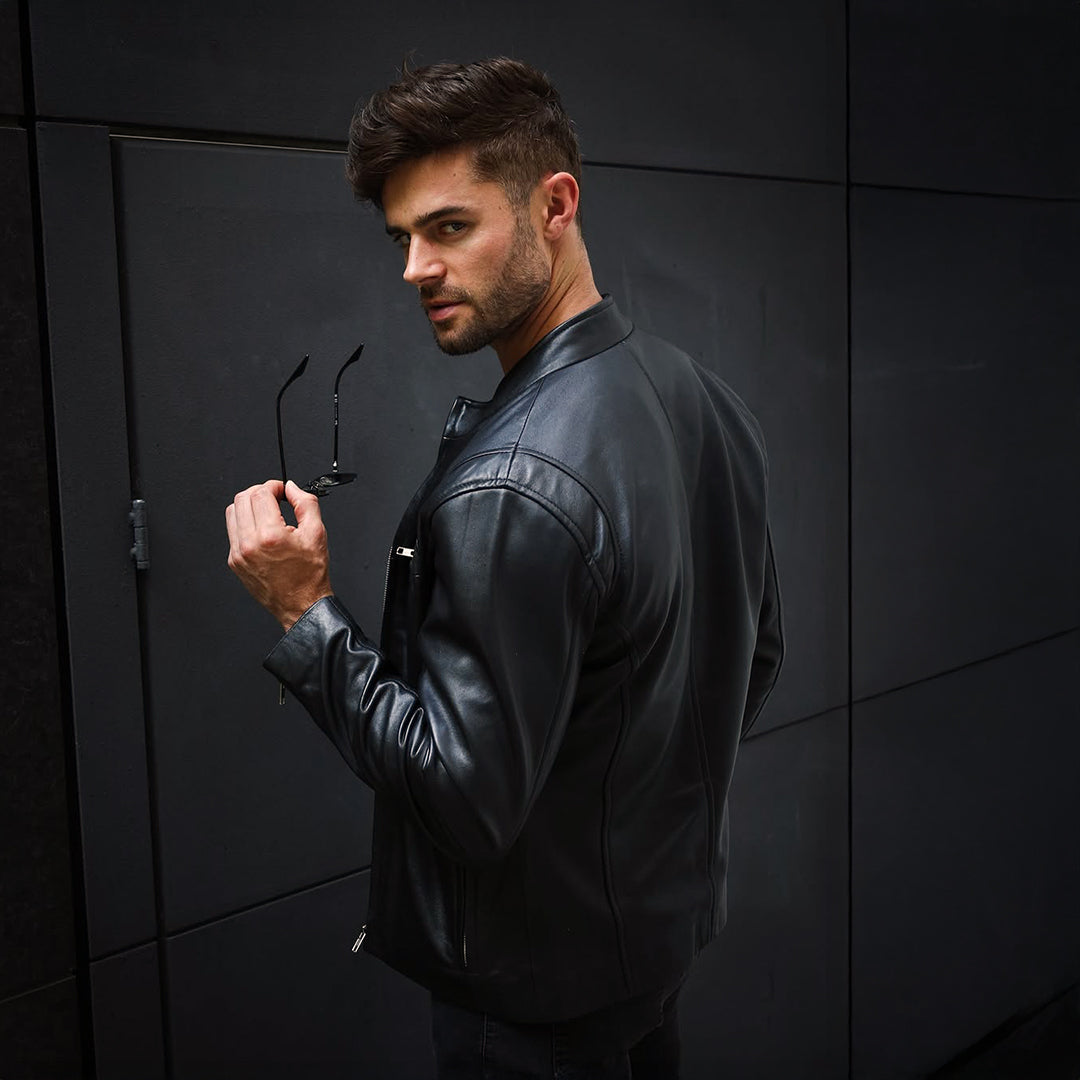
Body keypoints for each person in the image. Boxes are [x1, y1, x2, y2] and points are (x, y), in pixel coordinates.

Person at [225, 57, 784, 1079]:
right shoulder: (705, 399)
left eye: (449, 227)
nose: (415, 269)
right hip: (652, 951)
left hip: (533, 1008)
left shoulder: (510, 486)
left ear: (554, 205)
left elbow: (461, 801)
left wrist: (306, 614)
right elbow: (754, 660)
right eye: (403, 238)